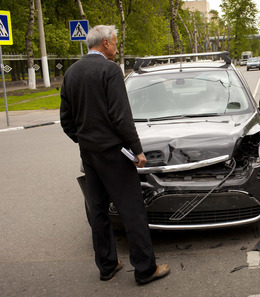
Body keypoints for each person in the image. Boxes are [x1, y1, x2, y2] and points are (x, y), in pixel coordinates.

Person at [60, 25, 170, 285]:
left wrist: (85, 140)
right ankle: (145, 270)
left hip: (89, 153)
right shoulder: (110, 70)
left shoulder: (71, 72)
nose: (117, 47)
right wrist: (137, 149)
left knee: (98, 210)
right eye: (115, 42)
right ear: (106, 43)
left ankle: (107, 266)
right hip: (114, 153)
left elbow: (66, 121)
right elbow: (121, 117)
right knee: (132, 210)